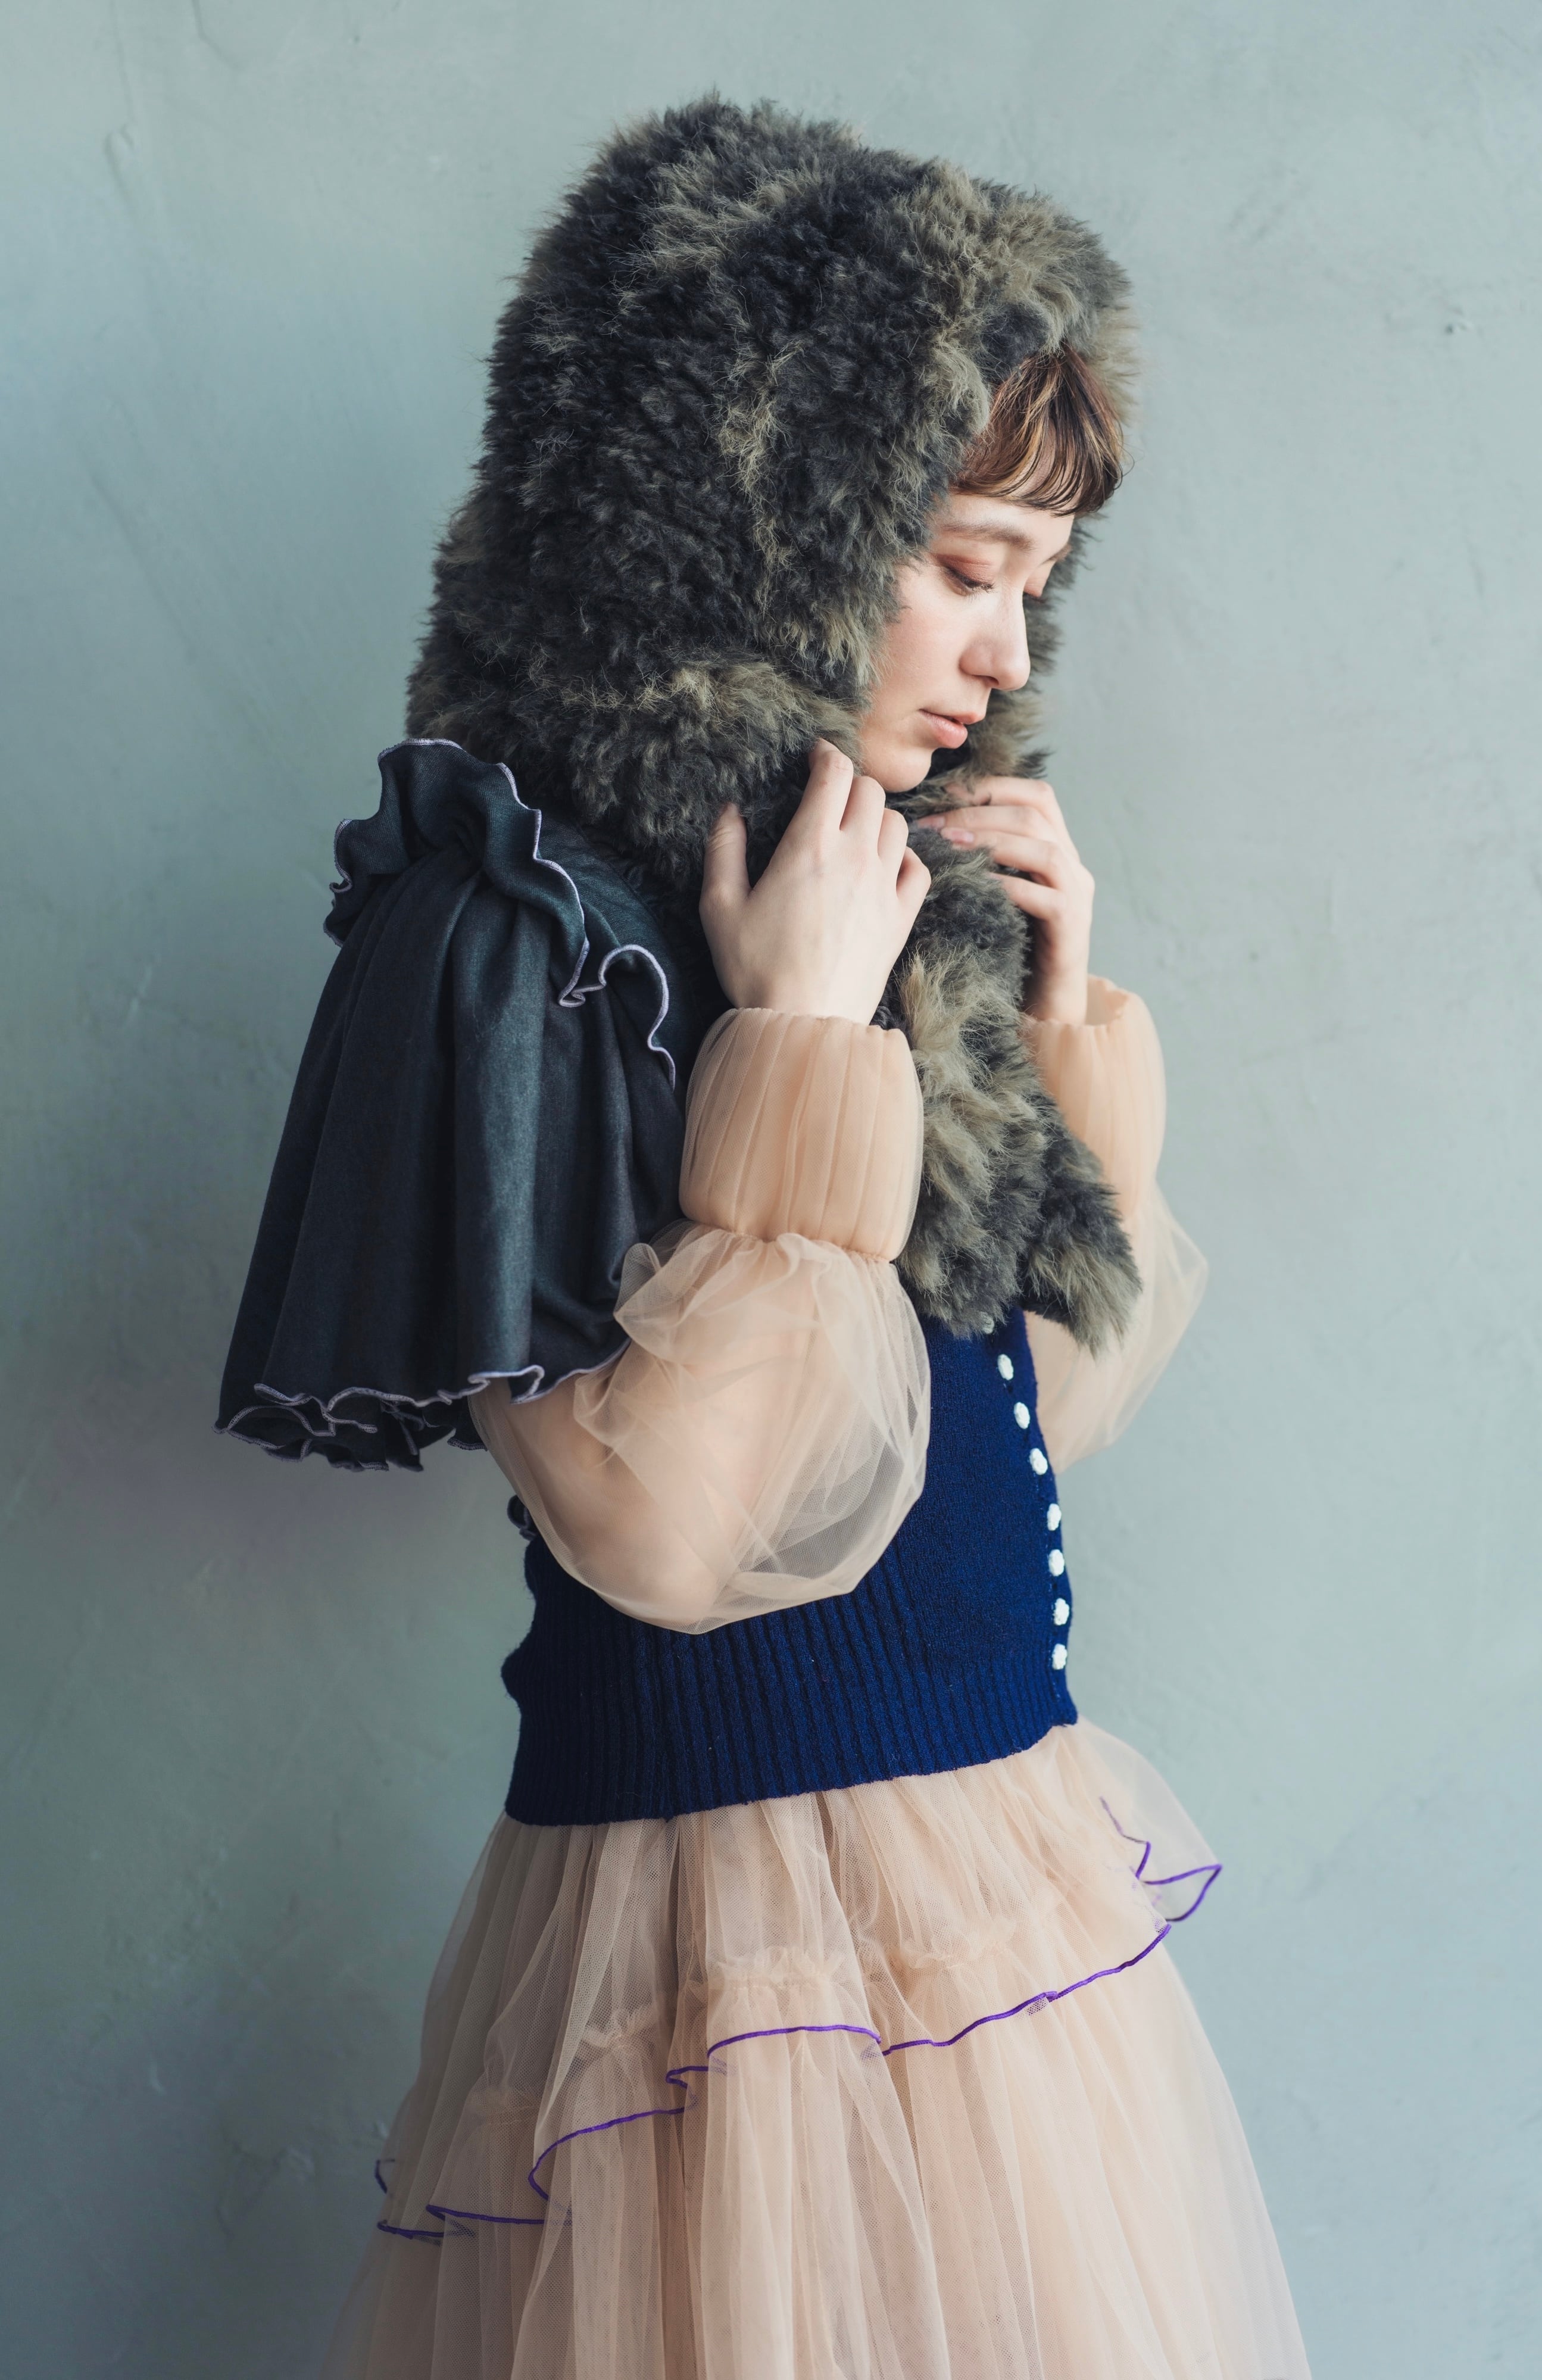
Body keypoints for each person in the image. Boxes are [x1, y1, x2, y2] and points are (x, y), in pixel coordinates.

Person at [219, 96, 1310, 2380]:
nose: (1005, 654)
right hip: (723, 1953)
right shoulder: (514, 930)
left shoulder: (894, 903)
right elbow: (674, 1533)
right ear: (770, 517)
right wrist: (799, 1046)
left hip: (988, 1893)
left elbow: (1003, 1438)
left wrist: (1056, 1030)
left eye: (1036, 583)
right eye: (964, 564)